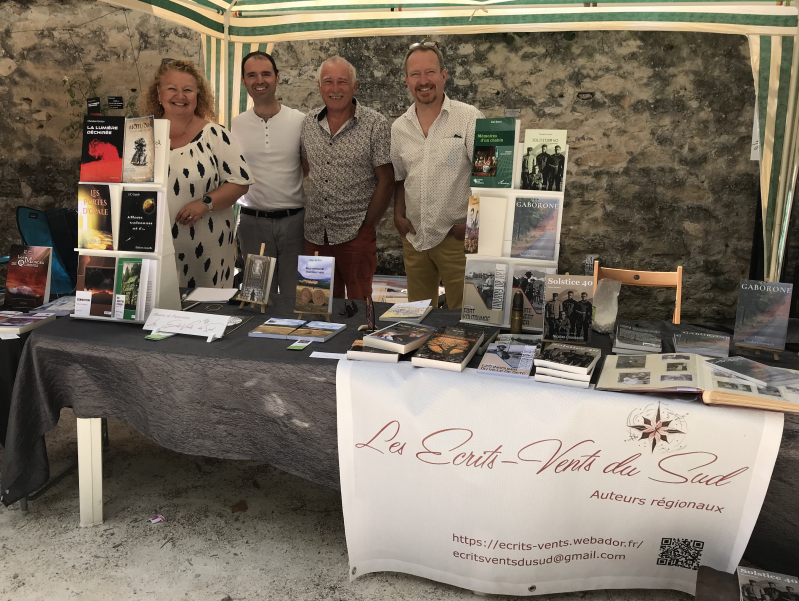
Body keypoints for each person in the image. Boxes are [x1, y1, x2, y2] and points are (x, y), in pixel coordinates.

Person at [391, 41, 485, 308]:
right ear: (407, 80)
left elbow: (489, 179)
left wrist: (472, 229)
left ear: (444, 75)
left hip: (458, 237)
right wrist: (398, 215)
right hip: (415, 239)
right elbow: (400, 177)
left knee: (466, 314)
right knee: (417, 316)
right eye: (415, 74)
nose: (423, 81)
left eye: (430, 72)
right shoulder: (399, 128)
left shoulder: (470, 118)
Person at [143, 59, 252, 288]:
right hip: (153, 247)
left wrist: (204, 204)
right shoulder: (142, 136)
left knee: (207, 307)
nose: (180, 96)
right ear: (159, 93)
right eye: (172, 88)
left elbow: (240, 182)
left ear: (197, 95)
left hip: (208, 251)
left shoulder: (215, 135)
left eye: (188, 90)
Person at [300, 56, 394, 300]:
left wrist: (367, 227)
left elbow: (386, 181)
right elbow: (305, 167)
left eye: (342, 81)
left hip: (355, 234)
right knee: (316, 305)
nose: (335, 88)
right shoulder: (308, 123)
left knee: (358, 307)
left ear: (355, 86)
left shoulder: (375, 124)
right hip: (315, 234)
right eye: (328, 81)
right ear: (319, 86)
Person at [231, 51, 306, 296]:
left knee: (296, 297)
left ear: (277, 78)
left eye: (265, 74)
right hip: (253, 225)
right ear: (243, 81)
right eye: (252, 75)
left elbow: (308, 167)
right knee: (258, 296)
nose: (259, 80)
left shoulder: (299, 121)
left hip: (294, 224)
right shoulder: (235, 125)